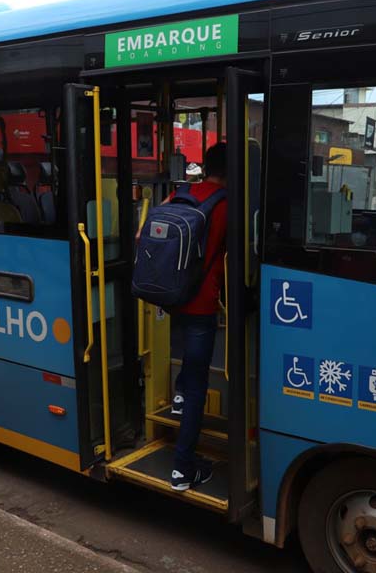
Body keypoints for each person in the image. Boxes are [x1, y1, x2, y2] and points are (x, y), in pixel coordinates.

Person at [167, 142, 227, 492]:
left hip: (176, 295)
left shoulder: (183, 193)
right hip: (203, 302)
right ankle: (182, 469)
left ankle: (177, 393)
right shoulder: (226, 204)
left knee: (188, 361)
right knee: (197, 388)